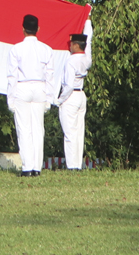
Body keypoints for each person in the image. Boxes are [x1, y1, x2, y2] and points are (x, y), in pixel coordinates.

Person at [6, 14, 56, 177]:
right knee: (38, 129)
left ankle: (27, 167)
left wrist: (10, 98)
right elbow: (50, 76)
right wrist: (49, 98)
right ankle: (37, 167)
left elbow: (12, 76)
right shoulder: (46, 50)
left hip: (22, 87)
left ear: (23, 29)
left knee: (24, 128)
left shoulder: (16, 49)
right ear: (38, 29)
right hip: (40, 88)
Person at [57, 20, 93, 170]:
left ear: (76, 45)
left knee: (69, 133)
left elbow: (69, 85)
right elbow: (89, 38)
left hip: (71, 96)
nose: (69, 46)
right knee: (79, 132)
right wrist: (87, 21)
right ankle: (77, 164)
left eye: (71, 43)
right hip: (81, 95)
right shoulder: (87, 58)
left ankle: (72, 165)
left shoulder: (70, 61)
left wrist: (60, 99)